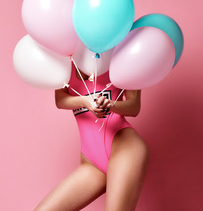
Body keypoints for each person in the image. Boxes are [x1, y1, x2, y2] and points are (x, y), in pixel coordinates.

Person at [34, 65, 149, 211]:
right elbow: (60, 100)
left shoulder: (121, 58)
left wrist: (110, 105)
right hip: (91, 161)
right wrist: (85, 101)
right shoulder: (65, 62)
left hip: (124, 147)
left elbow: (134, 107)